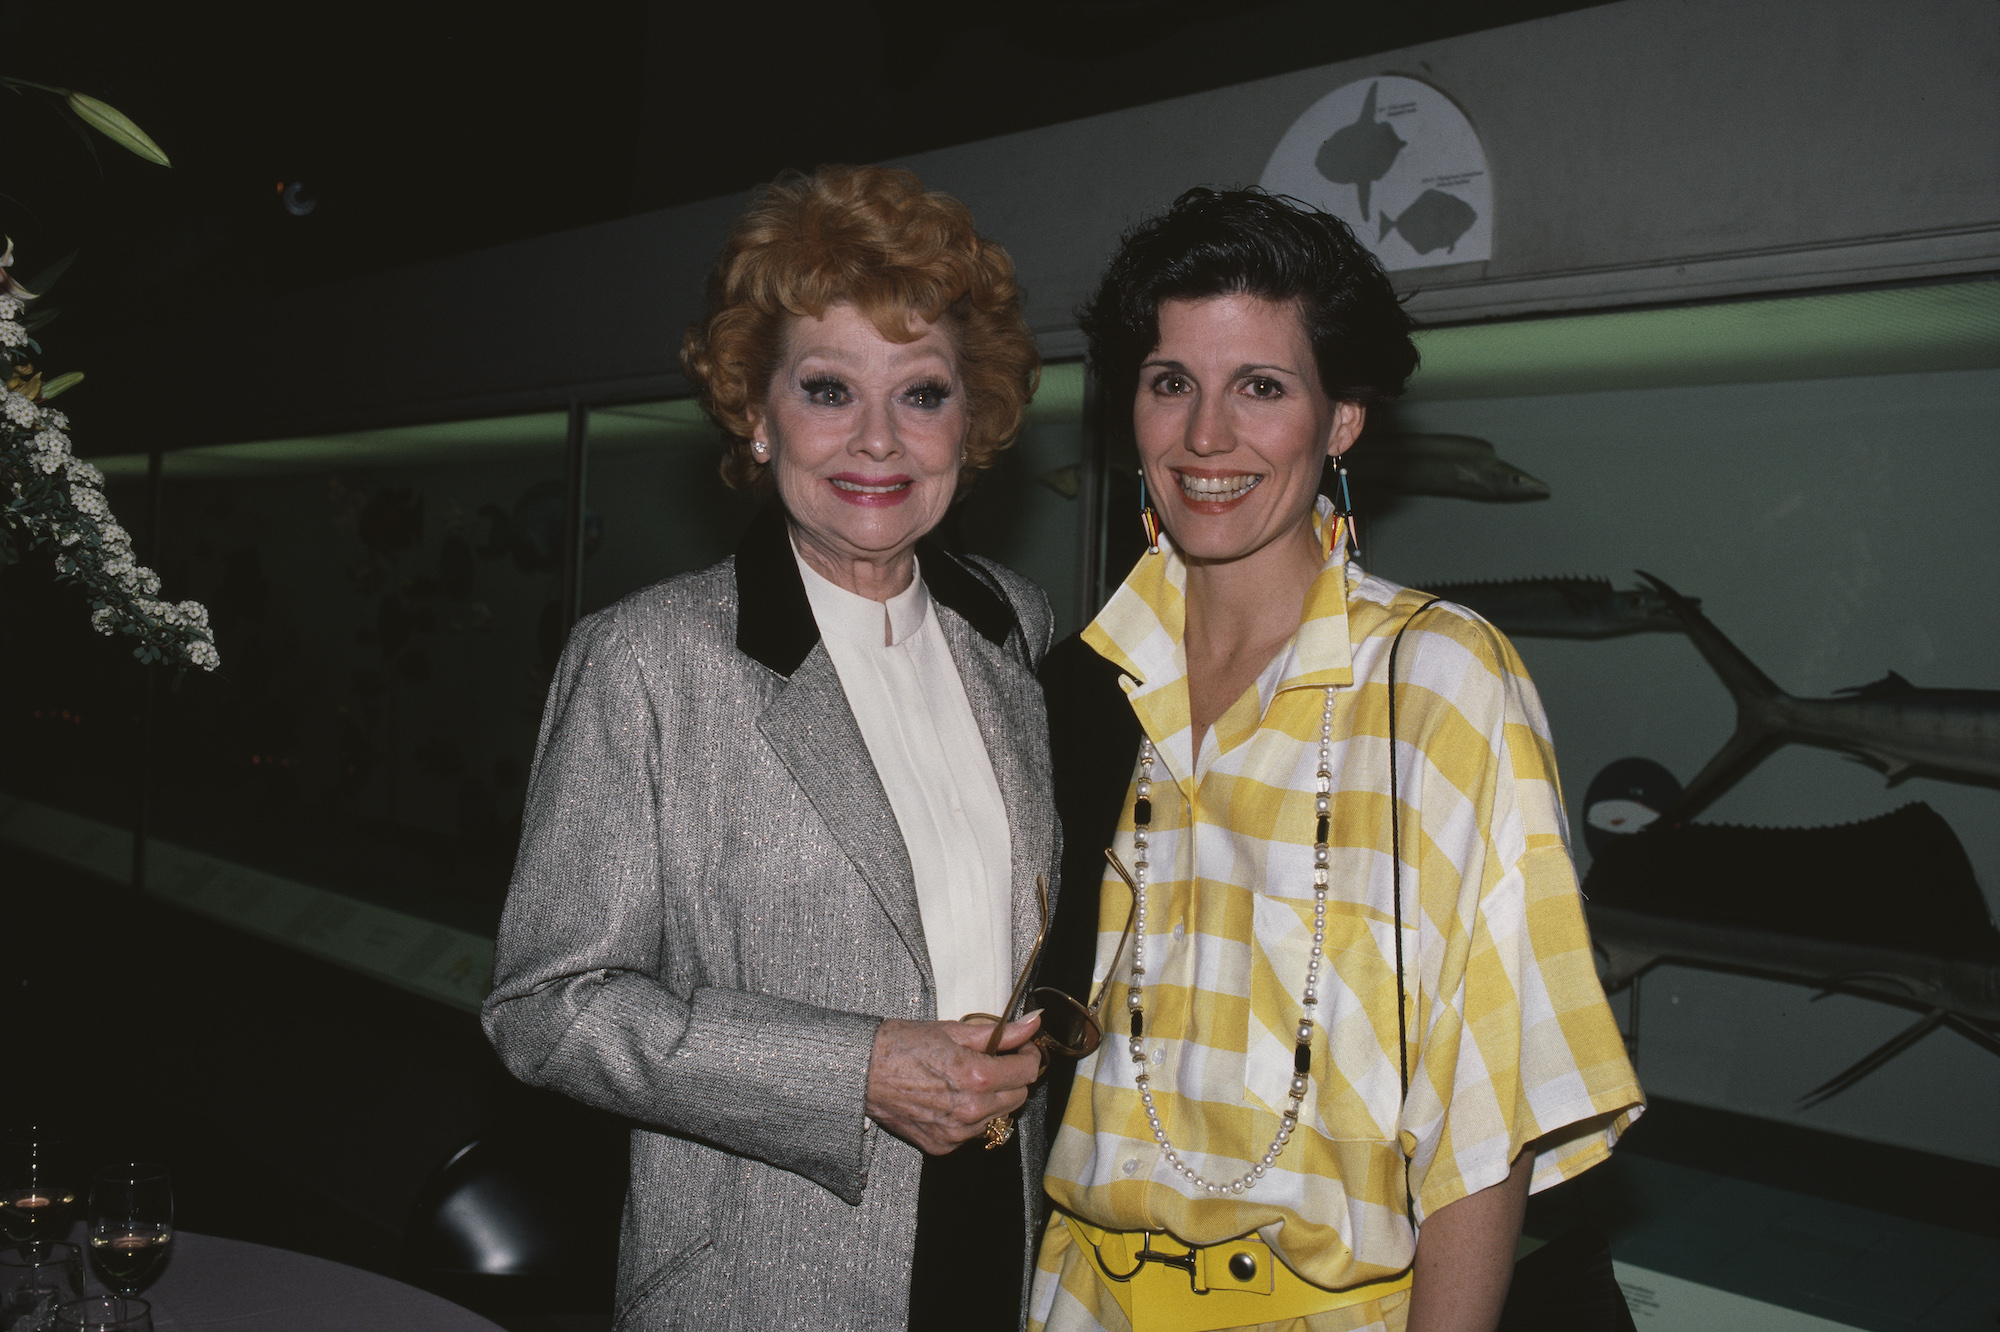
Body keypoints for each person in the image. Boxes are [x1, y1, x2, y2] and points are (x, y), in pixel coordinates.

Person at [1030, 188, 1644, 1332]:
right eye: (1172, 383)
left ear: (1342, 419)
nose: (1206, 437)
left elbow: (1486, 1097)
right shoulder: (1077, 688)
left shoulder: (1440, 681)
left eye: (1260, 386)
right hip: (1073, 1299)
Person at [482, 164, 1060, 1332]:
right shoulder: (647, 661)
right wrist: (851, 1068)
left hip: (1001, 1250)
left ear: (973, 419)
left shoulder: (1012, 626)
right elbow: (547, 1007)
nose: (879, 442)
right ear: (756, 412)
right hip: (766, 1278)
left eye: (923, 394)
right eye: (827, 388)